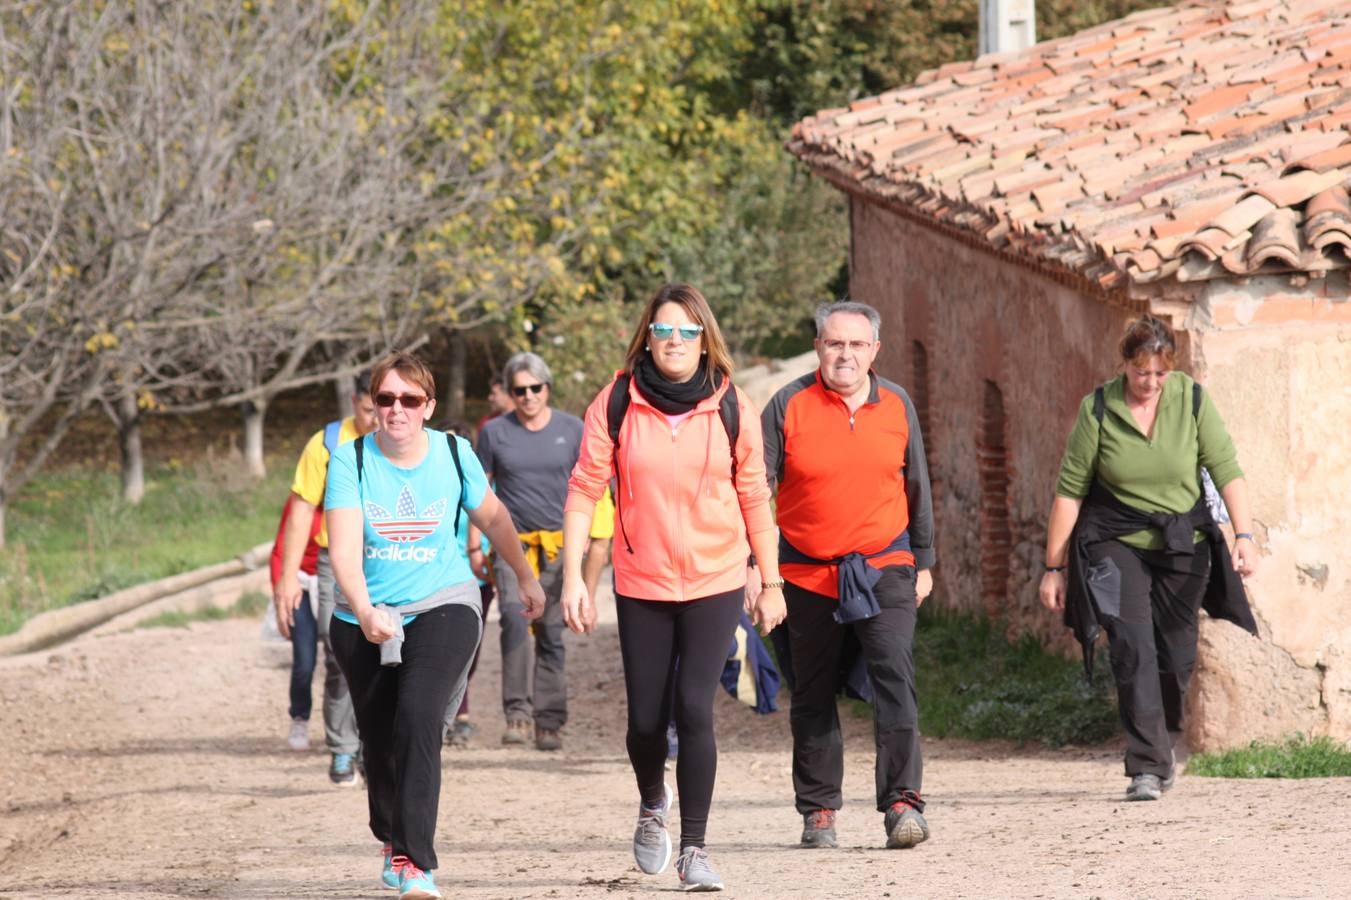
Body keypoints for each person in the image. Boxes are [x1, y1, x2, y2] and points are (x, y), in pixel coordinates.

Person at [561, 283, 785, 892]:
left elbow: (755, 495)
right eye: (665, 330)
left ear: (705, 337)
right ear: (648, 337)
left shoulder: (731, 404)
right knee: (644, 724)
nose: (676, 342)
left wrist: (769, 579)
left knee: (694, 709)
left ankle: (695, 849)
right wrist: (576, 579)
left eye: (688, 331)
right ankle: (652, 800)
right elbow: (584, 489)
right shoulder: (616, 402)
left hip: (714, 576)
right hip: (642, 581)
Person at [325, 351, 545, 900]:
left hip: (444, 602)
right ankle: (390, 833)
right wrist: (367, 610)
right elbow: (345, 557)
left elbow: (493, 516)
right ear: (372, 405)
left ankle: (415, 861)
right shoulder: (349, 461)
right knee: (379, 740)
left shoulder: (453, 452)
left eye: (409, 400)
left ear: (428, 406)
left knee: (419, 716)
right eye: (385, 399)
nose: (396, 410)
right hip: (362, 614)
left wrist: (524, 576)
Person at [1039, 313, 1259, 802]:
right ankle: (1147, 766)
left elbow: (1226, 469)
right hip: (1114, 541)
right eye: (1142, 373)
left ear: (1171, 369)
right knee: (1132, 646)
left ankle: (1162, 744)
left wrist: (1243, 534)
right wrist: (1054, 569)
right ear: (1126, 365)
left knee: (1176, 657)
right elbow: (1070, 493)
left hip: (1184, 542)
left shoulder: (1193, 400)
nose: (1151, 383)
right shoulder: (1097, 409)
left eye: (1160, 374)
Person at [759, 300, 936, 851]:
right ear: (818, 346)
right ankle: (819, 811)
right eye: (835, 343)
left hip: (885, 565)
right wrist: (757, 570)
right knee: (812, 692)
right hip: (806, 574)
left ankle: (903, 803)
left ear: (874, 351)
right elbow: (753, 489)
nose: (846, 354)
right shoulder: (787, 404)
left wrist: (924, 563)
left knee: (894, 680)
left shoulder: (897, 403)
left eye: (857, 345)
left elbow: (918, 489)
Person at [472, 352, 583, 751]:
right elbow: (479, 491)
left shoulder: (573, 429)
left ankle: (549, 721)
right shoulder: (494, 432)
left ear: (547, 387)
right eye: (519, 390)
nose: (528, 396)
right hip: (511, 544)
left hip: (558, 545)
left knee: (552, 629)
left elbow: (586, 490)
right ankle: (516, 715)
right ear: (510, 393)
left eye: (535, 388)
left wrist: (587, 547)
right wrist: (474, 543)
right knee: (515, 627)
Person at [274, 370, 377, 786]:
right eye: (371, 408)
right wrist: (287, 577)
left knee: (390, 656)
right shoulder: (328, 444)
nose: (380, 417)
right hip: (336, 558)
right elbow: (301, 511)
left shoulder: (405, 439)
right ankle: (342, 749)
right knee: (340, 653)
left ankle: (375, 746)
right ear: (354, 402)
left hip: (390, 557)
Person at [268, 494, 323, 751]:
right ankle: (299, 717)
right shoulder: (299, 502)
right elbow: (280, 549)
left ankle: (346, 730)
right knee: (304, 661)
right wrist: (281, 591)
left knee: (342, 664)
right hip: (300, 584)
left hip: (336, 583)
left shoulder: (352, 492)